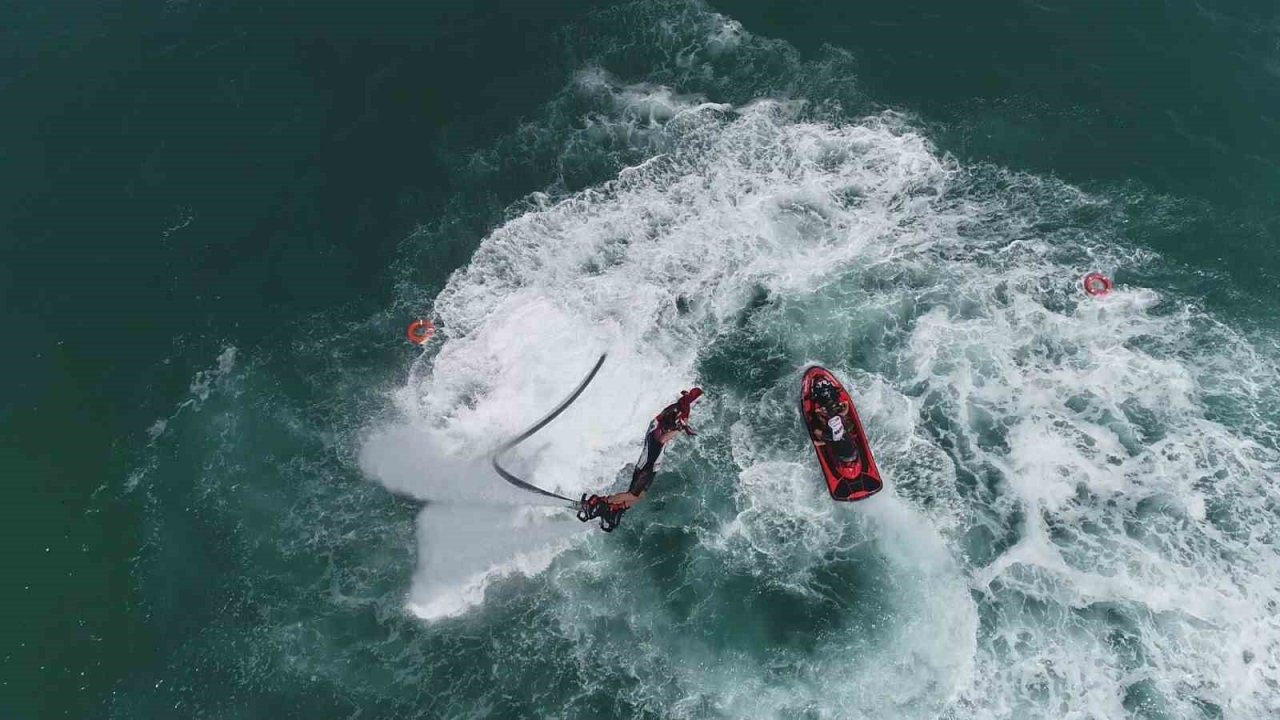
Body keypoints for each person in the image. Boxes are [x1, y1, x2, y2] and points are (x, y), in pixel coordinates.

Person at [579, 387, 704, 530]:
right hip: (646, 468)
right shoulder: (658, 436)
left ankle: (616, 507)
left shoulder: (659, 422)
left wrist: (683, 413)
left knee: (639, 496)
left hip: (649, 467)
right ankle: (599, 502)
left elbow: (675, 410)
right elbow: (663, 438)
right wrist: (680, 429)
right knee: (633, 495)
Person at [809, 380, 859, 465]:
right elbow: (844, 412)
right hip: (840, 438)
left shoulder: (833, 434)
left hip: (838, 438)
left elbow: (816, 431)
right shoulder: (839, 431)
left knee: (821, 435)